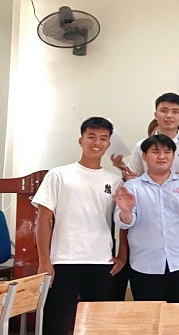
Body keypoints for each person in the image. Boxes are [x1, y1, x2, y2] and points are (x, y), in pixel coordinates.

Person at [34, 117, 124, 335]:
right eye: (91, 137)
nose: (97, 142)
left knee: (96, 326)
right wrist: (44, 261)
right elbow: (43, 220)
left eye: (103, 138)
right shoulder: (59, 175)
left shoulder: (115, 181)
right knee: (57, 322)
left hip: (101, 262)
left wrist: (122, 255)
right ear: (80, 140)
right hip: (63, 261)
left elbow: (123, 221)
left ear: (108, 144)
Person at [114, 134, 179, 302]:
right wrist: (126, 211)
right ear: (144, 156)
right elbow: (125, 222)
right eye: (155, 152)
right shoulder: (131, 187)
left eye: (167, 152)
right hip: (145, 265)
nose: (162, 156)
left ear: (173, 156)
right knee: (149, 316)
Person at [119, 93, 179, 180]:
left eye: (175, 111)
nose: (169, 115)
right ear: (155, 115)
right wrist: (129, 178)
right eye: (164, 111)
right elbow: (132, 175)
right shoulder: (141, 145)